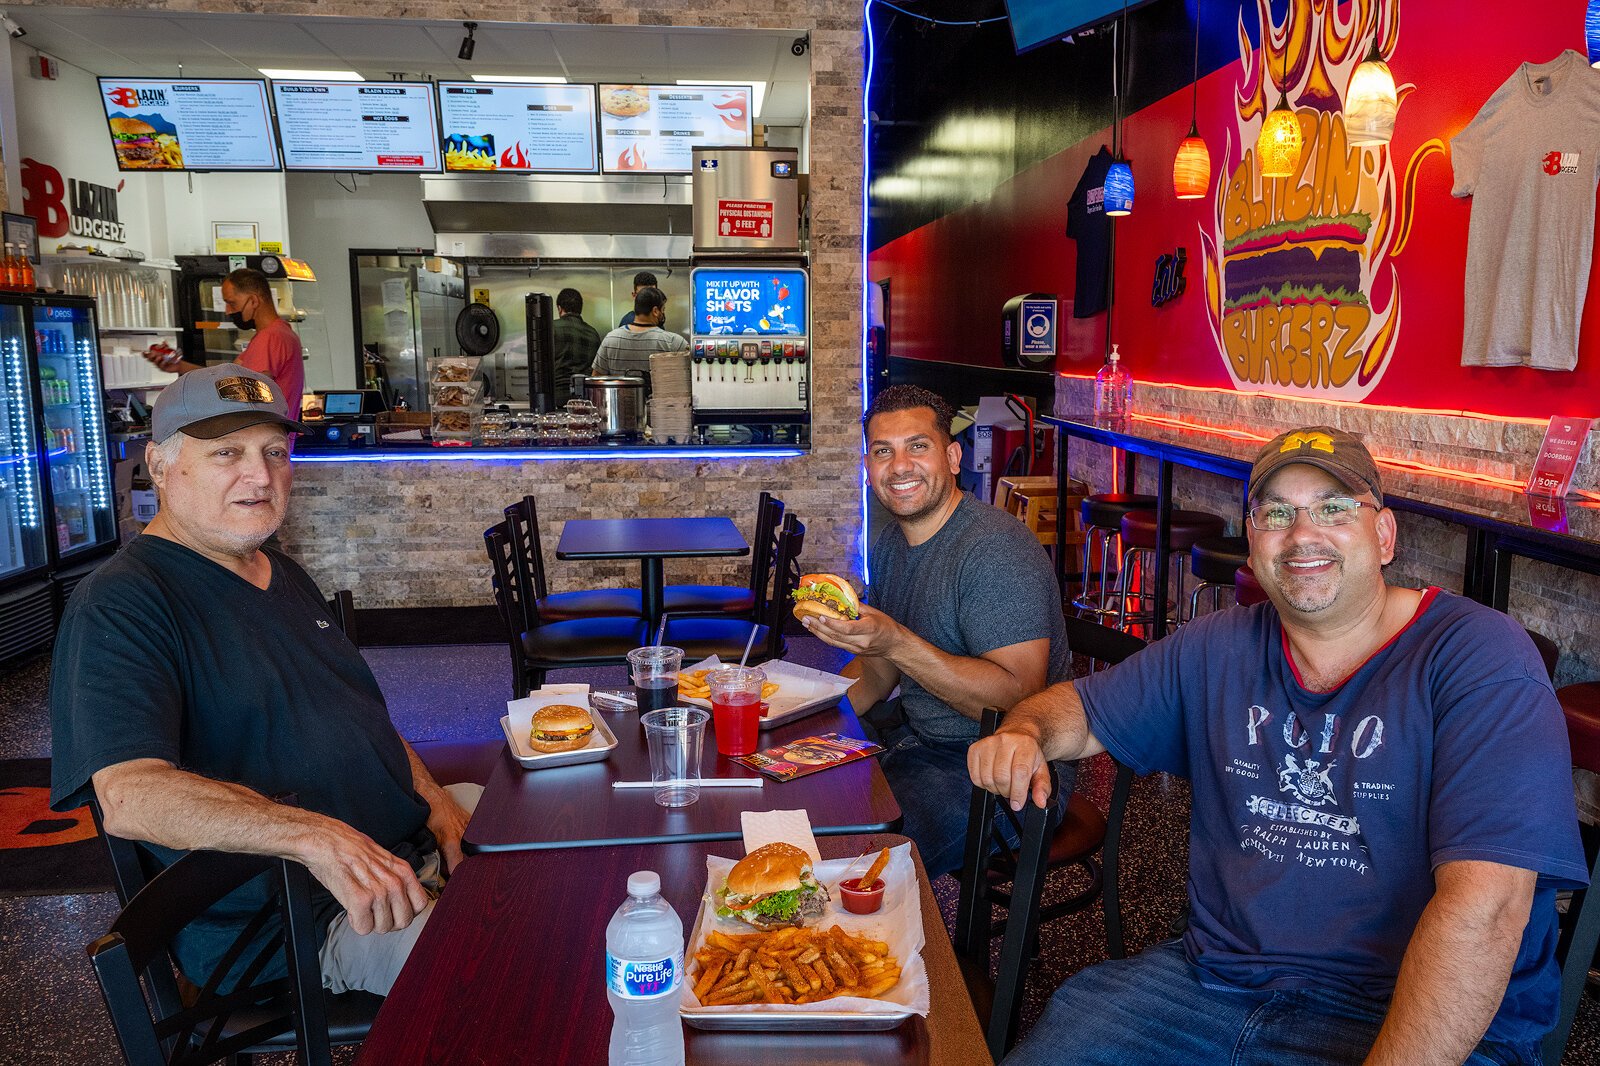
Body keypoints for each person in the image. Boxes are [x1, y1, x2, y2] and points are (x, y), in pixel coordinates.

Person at [969, 425, 1589, 1066]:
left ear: (1384, 536)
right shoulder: (1217, 645)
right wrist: (1026, 730)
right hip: (1211, 986)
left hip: (1401, 1012)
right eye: (1277, 513)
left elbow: (1485, 907)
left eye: (1333, 507)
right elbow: (1084, 709)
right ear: (1253, 541)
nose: (1302, 534)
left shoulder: (1478, 656)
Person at [49, 363, 477, 997]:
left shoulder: (278, 571)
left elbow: (360, 721)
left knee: (563, 839)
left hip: (396, 844)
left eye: (274, 452)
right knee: (512, 964)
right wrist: (315, 837)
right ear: (161, 465)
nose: (260, 476)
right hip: (304, 919)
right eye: (226, 453)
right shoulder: (121, 605)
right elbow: (131, 797)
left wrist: (440, 806)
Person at [801, 384, 1071, 877]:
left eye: (917, 446)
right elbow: (880, 675)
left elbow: (1016, 699)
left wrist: (897, 641)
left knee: (845, 868)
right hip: (917, 740)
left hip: (1003, 771)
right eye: (884, 451)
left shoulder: (995, 550)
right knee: (797, 812)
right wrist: (802, 716)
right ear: (868, 465)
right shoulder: (889, 542)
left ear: (951, 456)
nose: (899, 465)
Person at [143, 268, 305, 421]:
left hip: (263, 439)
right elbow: (224, 377)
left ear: (254, 301)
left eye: (232, 303)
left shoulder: (270, 337)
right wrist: (179, 366)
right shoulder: (279, 332)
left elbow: (247, 392)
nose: (228, 311)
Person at [591, 286, 687, 402]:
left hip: (619, 414)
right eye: (663, 309)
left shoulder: (611, 339)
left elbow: (596, 381)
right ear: (655, 311)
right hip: (662, 416)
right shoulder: (673, 343)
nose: (663, 313)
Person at [552, 287, 600, 406]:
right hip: (585, 400)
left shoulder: (550, 328)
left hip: (555, 398)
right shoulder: (593, 333)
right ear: (580, 309)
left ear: (559, 308)